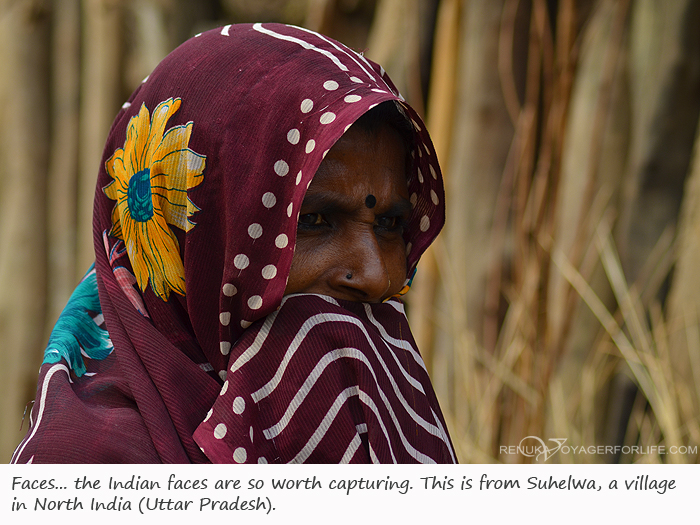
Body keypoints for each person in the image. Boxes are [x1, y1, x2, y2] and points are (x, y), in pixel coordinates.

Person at [12, 23, 455, 464]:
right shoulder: (87, 471)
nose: (376, 275)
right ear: (192, 237)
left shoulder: (379, 411)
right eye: (317, 220)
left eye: (390, 224)